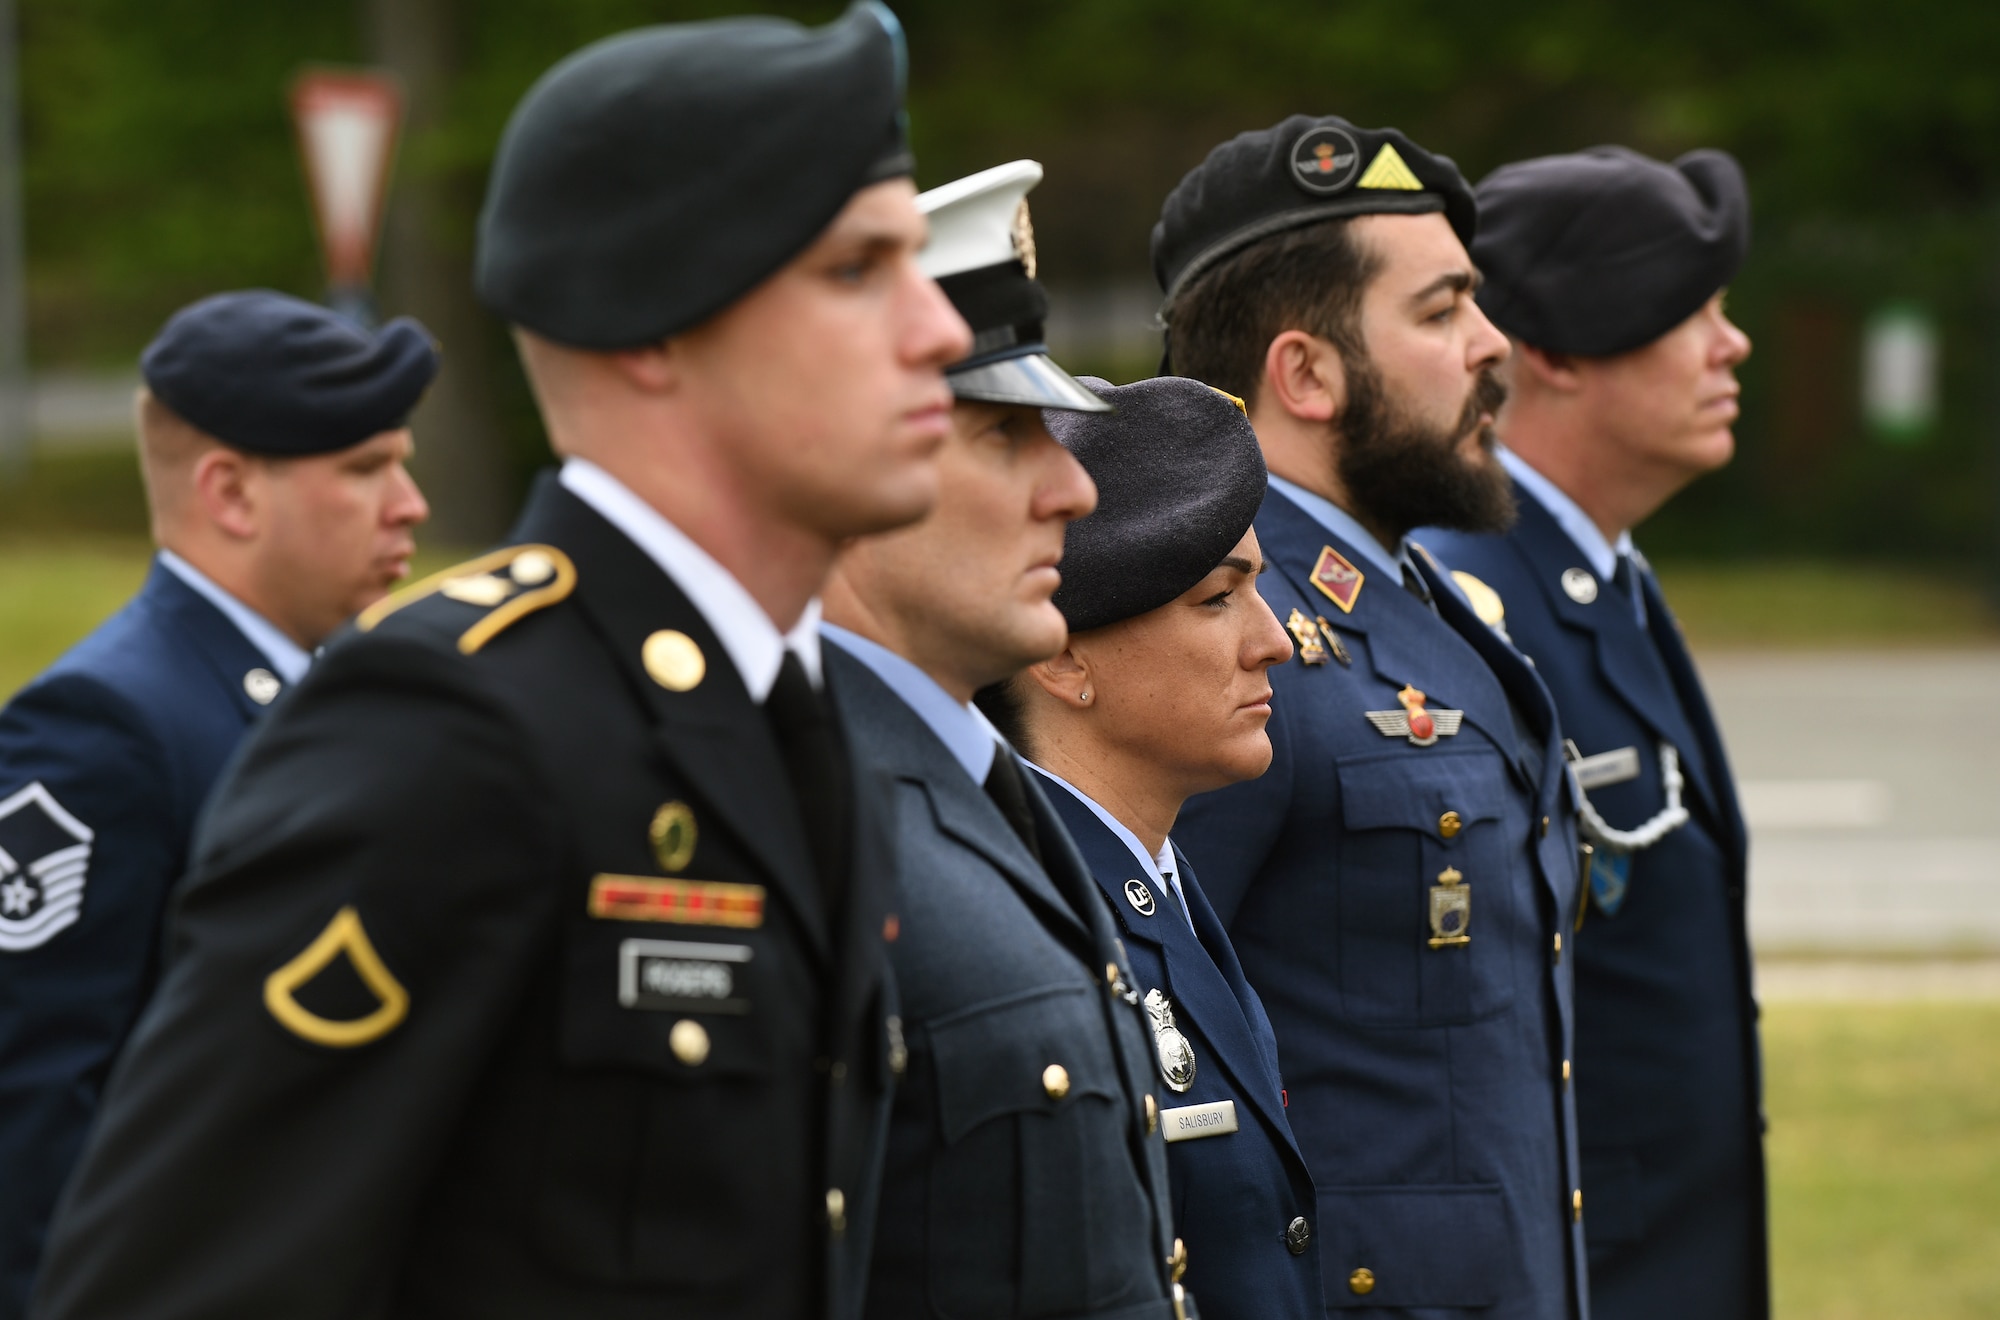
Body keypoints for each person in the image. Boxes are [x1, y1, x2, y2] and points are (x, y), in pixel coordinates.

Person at [30, 9, 969, 1319]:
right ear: (651, 328)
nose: (939, 331)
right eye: (859, 270)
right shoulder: (453, 729)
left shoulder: (792, 714)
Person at [1156, 116, 1588, 1318]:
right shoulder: (1224, 633)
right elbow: (1165, 1069)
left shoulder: (1416, 595)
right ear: (1305, 373)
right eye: (1442, 311)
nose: (1492, 345)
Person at [0, 290, 433, 1319]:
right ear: (231, 494)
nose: (409, 503)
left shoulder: (335, 693)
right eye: (366, 468)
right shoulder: (104, 725)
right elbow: (30, 1110)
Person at [822, 160, 1193, 1320]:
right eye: (1003, 437)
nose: (1072, 491)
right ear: (851, 459)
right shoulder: (800, 805)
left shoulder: (973, 774)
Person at [1417, 147, 1764, 1320]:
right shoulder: (1473, 610)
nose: (1732, 345)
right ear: (1553, 357)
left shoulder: (1591, 570)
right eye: (1690, 313)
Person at [975, 375, 1320, 1320]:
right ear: (1061, 657)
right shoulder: (1041, 918)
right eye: (1219, 599)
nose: (1275, 641)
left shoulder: (1148, 877)